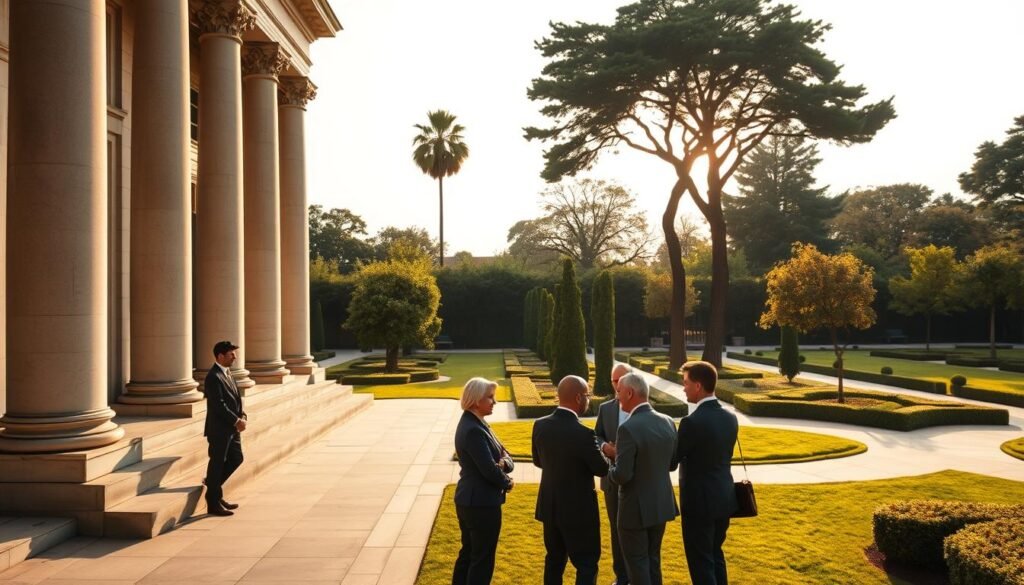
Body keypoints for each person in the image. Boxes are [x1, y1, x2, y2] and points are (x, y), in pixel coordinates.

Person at [532, 375, 610, 585]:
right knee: (586, 563)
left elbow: (538, 461)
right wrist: (608, 451)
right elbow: (602, 469)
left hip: (549, 507)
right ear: (578, 398)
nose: (588, 399)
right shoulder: (584, 433)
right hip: (579, 511)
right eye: (587, 395)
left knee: (554, 561)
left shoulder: (539, 425)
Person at [607, 373, 678, 585]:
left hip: (634, 510)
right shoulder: (667, 422)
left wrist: (610, 462)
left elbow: (622, 475)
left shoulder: (627, 428)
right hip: (661, 505)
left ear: (629, 393)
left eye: (619, 391)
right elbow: (671, 465)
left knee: (637, 565)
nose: (617, 397)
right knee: (652, 561)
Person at [676, 361, 738, 585]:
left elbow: (672, 461)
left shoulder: (691, 422)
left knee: (701, 562)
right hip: (724, 498)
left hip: (699, 504)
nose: (683, 388)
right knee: (715, 555)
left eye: (686, 383)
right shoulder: (730, 418)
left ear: (698, 386)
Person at [453, 377, 514, 585]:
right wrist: (508, 482)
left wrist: (504, 463)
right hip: (480, 503)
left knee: (470, 554)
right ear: (476, 400)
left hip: (472, 501)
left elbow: (506, 456)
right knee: (481, 559)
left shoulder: (478, 424)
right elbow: (489, 470)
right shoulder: (473, 429)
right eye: (490, 397)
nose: (494, 402)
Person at [596, 363, 632, 585]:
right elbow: (596, 435)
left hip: (636, 480)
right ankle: (622, 576)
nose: (617, 385)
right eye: (614, 381)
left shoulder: (645, 407)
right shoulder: (605, 408)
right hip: (611, 481)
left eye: (621, 380)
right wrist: (605, 449)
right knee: (616, 530)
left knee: (636, 530)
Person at [203, 340, 247, 517]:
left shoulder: (228, 373)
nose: (235, 357)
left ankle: (214, 489)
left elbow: (235, 399)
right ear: (220, 356)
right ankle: (213, 502)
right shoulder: (213, 377)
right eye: (231, 354)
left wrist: (242, 416)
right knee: (217, 464)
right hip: (220, 429)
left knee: (237, 458)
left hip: (232, 429)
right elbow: (218, 405)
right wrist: (236, 421)